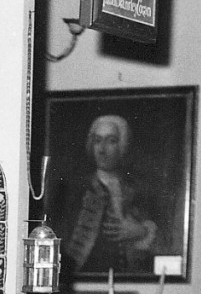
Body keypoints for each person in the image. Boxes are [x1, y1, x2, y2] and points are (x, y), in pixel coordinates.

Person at [59, 114, 164, 275]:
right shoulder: (77, 189)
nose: (102, 149)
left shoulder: (138, 188)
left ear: (122, 146)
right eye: (97, 141)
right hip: (89, 279)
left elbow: (166, 241)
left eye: (111, 141)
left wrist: (141, 231)